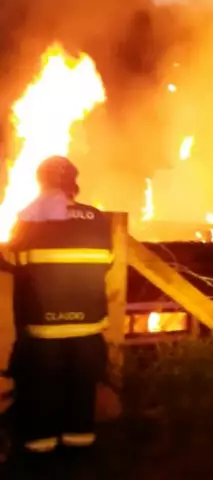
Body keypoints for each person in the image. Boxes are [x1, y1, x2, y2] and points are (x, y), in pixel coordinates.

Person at [6, 156, 112, 466]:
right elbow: (107, 261)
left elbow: (14, 260)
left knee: (41, 394)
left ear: (42, 183)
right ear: (73, 185)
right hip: (89, 329)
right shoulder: (96, 217)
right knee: (81, 391)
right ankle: (80, 452)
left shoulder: (33, 217)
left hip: (44, 331)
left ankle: (39, 457)